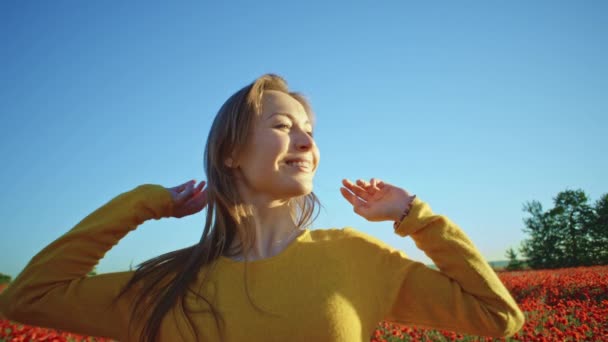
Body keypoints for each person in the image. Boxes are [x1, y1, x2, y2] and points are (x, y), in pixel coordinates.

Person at [0, 74, 525, 341]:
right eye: (281, 125)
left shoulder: (357, 257)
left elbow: (499, 318)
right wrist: (145, 203)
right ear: (230, 152)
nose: (305, 142)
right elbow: (27, 297)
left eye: (311, 132)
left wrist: (417, 216)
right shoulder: (166, 286)